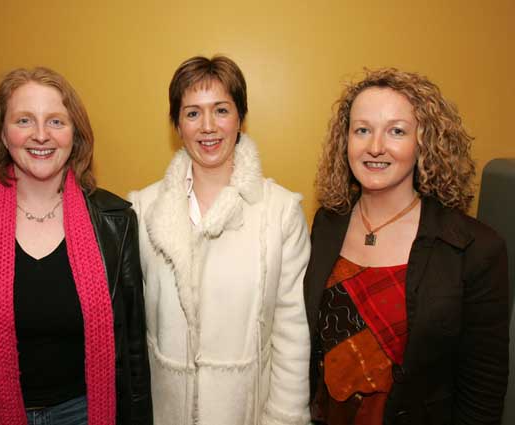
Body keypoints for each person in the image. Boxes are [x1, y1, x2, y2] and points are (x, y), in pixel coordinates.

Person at [0, 67, 152, 425]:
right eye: (24, 120)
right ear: (3, 133)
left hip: (85, 413)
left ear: (76, 135)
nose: (41, 135)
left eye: (56, 121)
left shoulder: (115, 222)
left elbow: (133, 350)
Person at [304, 68, 509, 424]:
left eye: (396, 131)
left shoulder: (475, 248)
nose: (375, 146)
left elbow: (483, 391)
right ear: (345, 140)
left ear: (424, 142)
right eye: (362, 130)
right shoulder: (327, 224)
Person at [129, 55, 311, 425]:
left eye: (221, 110)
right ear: (177, 125)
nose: (208, 127)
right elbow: (131, 333)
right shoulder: (141, 209)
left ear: (240, 118)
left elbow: (291, 332)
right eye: (193, 113)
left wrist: (284, 419)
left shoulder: (280, 213)